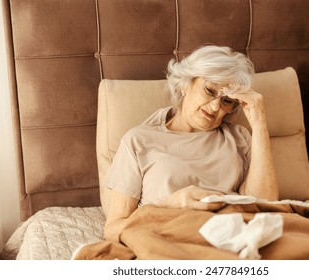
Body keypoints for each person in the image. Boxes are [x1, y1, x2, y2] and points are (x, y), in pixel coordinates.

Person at [103, 45, 279, 241]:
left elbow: (266, 206)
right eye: (210, 90)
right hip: (171, 236)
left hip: (233, 237)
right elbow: (112, 230)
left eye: (227, 101)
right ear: (186, 84)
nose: (215, 107)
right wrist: (168, 206)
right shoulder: (138, 141)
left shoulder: (239, 137)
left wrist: (259, 122)